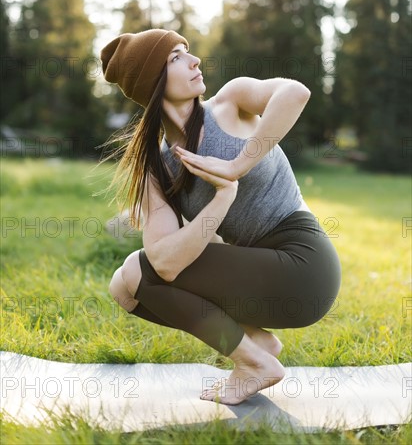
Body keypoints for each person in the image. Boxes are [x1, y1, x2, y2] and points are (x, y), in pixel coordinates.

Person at [100, 29, 341, 405]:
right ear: (154, 81)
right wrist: (222, 199)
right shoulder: (157, 168)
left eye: (188, 51)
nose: (194, 60)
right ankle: (254, 344)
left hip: (305, 264)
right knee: (125, 285)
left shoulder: (230, 100)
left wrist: (236, 166)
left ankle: (254, 364)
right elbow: (163, 262)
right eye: (176, 57)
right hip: (259, 276)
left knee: (134, 270)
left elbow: (295, 93)